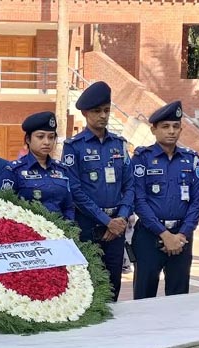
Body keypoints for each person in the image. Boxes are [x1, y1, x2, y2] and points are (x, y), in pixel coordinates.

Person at [61, 81, 134, 301]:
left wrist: (120, 218)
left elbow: (130, 185)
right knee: (89, 287)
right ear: (85, 113)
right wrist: (106, 221)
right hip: (89, 227)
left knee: (113, 286)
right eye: (96, 111)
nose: (103, 116)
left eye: (106, 110)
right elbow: (74, 190)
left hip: (116, 227)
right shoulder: (74, 146)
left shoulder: (119, 144)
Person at [130, 101, 199, 299]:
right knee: (144, 297)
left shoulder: (191, 159)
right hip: (149, 236)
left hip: (182, 237)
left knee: (179, 297)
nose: (171, 131)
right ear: (154, 130)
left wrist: (181, 235)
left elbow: (197, 201)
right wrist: (164, 235)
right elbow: (139, 200)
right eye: (165, 126)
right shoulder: (142, 158)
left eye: (175, 126)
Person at [0, 112, 73, 220]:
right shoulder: (13, 170)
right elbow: (4, 206)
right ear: (28, 139)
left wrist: (69, 226)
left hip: (61, 229)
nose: (47, 142)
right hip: (28, 228)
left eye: (51, 137)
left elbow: (69, 206)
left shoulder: (61, 169)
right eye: (40, 137)